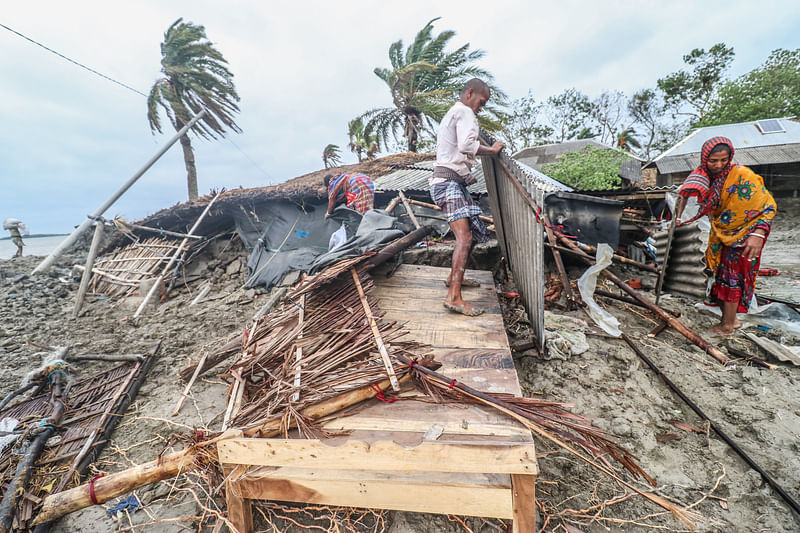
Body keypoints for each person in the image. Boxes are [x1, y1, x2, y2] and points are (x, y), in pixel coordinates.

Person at [676, 136, 777, 335]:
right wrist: (677, 219)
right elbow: (685, 193)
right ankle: (732, 320)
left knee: (733, 277)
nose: (719, 165)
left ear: (730, 157)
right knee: (720, 274)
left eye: (724, 160)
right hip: (722, 232)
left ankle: (727, 326)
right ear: (705, 159)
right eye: (713, 160)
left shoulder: (742, 174)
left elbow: (768, 206)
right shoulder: (703, 174)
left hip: (747, 234)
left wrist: (758, 233)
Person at [431, 78, 503, 316]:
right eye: (481, 102)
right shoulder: (465, 113)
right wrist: (492, 151)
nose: (481, 108)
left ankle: (454, 278)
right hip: (448, 184)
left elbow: (454, 153)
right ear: (470, 93)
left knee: (470, 235)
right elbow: (465, 145)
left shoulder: (454, 112)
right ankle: (453, 297)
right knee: (464, 237)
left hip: (450, 182)